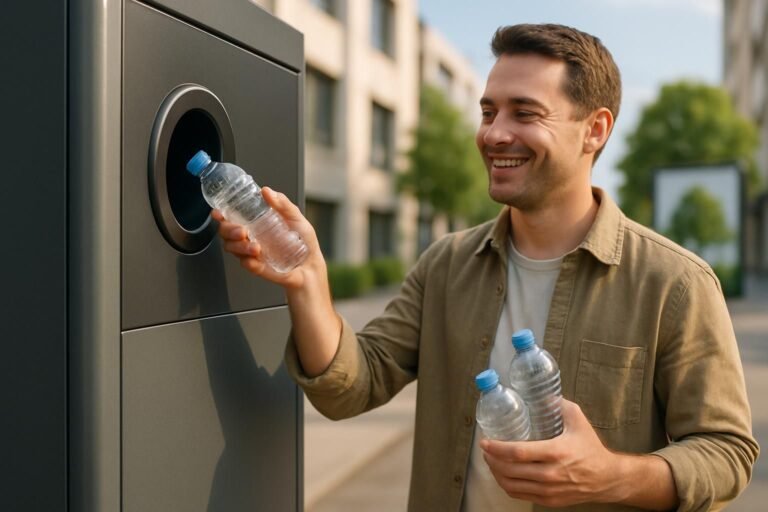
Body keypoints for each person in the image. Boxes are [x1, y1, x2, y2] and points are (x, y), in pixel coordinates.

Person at [214, 23, 758, 512]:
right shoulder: (447, 264)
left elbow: (726, 453)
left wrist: (609, 476)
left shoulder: (675, 283)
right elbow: (353, 386)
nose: (494, 133)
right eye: (488, 111)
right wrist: (310, 283)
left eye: (525, 112)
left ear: (595, 130)